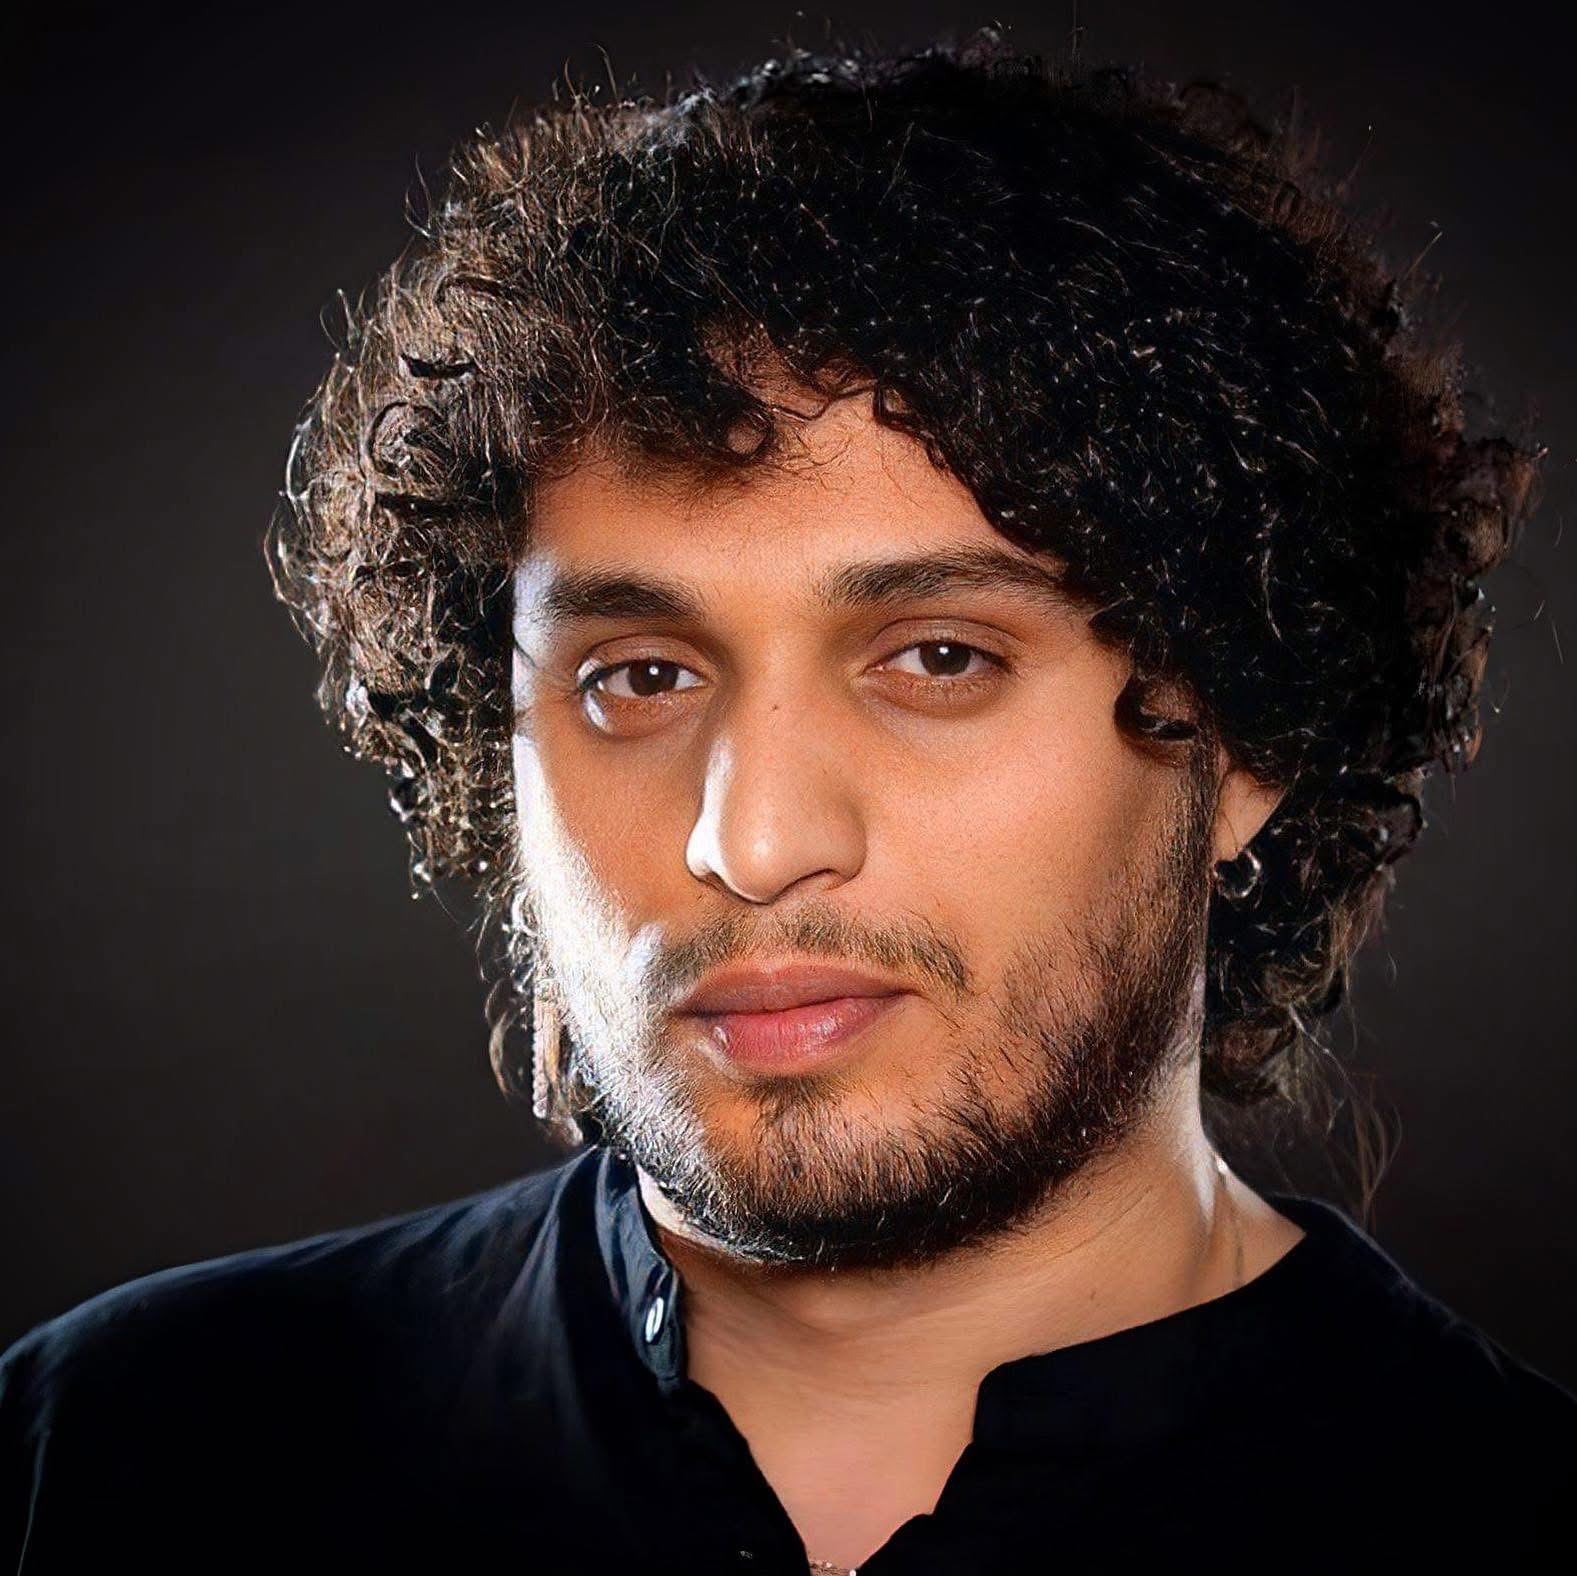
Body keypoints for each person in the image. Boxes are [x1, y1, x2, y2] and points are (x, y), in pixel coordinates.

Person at [2, 29, 1571, 1574]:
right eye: (637, 677)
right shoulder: (107, 1456)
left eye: (937, 656)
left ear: (1240, 738)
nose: (748, 845)